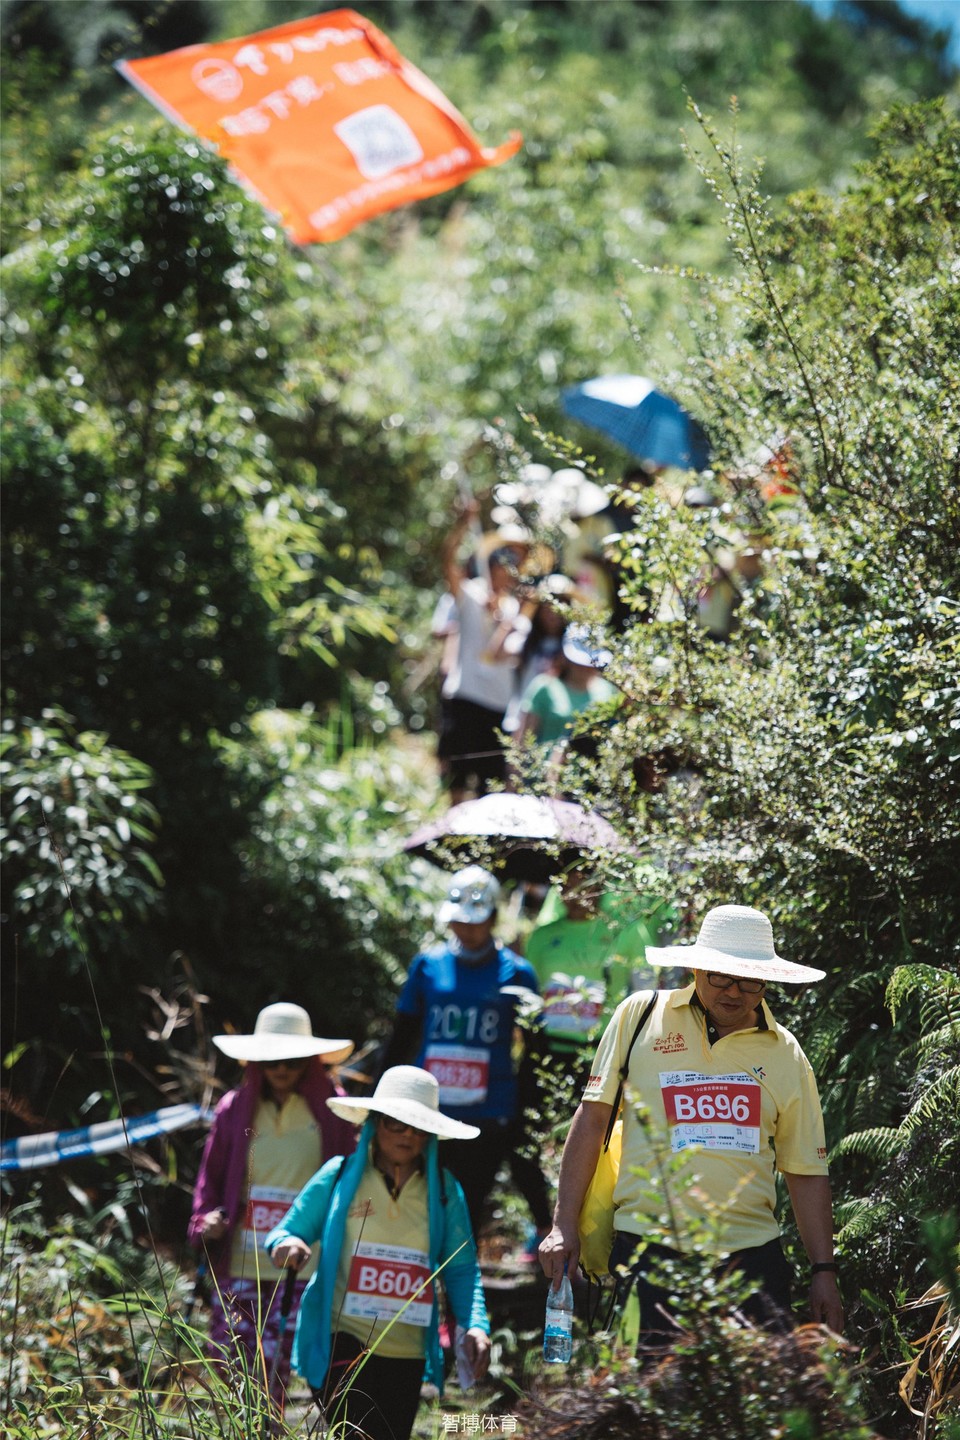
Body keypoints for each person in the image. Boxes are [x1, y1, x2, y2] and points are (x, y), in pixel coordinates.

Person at [539, 904, 844, 1346]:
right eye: (720, 976)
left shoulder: (785, 1053)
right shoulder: (640, 1017)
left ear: (766, 981)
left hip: (751, 1261)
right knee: (653, 1386)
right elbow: (593, 1118)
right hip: (648, 1252)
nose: (734, 992)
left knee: (748, 1391)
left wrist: (824, 1270)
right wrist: (563, 1224)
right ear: (695, 968)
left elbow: (806, 1171)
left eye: (749, 980)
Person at [265, 1066, 491, 1440]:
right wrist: (287, 1245)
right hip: (342, 1339)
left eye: (419, 1126)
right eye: (396, 1122)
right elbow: (285, 1232)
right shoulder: (339, 1176)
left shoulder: (445, 1191)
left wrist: (477, 1325)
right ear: (374, 1123)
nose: (408, 1134)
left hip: (407, 1353)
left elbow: (462, 1269)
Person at [188, 1003, 355, 1396]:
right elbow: (210, 1178)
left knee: (278, 1371)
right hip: (241, 1263)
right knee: (232, 1369)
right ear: (256, 1062)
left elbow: (350, 1180)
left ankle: (273, 1426)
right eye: (271, 1060)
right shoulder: (234, 1109)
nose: (281, 1069)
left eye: (292, 1061)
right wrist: (205, 1221)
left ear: (310, 1062)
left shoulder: (335, 1110)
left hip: (303, 1265)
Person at [378, 865, 551, 1242]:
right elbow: (402, 1037)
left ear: (493, 918)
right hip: (426, 1111)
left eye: (475, 921)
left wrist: (524, 1107)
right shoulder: (427, 966)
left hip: (488, 1113)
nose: (466, 929)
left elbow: (537, 1049)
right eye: (459, 921)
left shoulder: (518, 973)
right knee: (418, 1202)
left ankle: (456, 1278)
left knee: (467, 1206)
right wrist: (382, 1100)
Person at [438, 501, 528, 804]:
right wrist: (462, 525)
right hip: (466, 696)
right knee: (458, 777)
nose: (510, 570)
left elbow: (503, 654)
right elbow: (447, 561)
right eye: (505, 562)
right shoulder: (470, 593)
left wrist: (503, 623)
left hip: (498, 704)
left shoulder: (515, 609)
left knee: (489, 786)